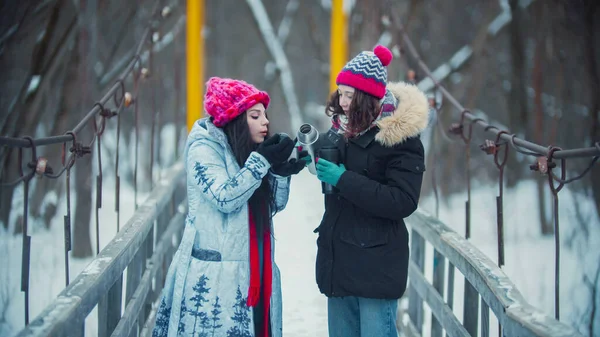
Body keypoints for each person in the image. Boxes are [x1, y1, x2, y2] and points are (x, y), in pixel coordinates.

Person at [152, 77, 309, 337]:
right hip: (217, 280)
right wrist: (262, 162)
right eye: (255, 116)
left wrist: (280, 173)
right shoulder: (203, 149)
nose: (265, 122)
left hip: (256, 269)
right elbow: (225, 198)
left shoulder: (246, 151)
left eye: (265, 116)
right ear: (234, 119)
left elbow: (273, 207)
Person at [313, 45, 429, 337]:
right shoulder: (341, 129)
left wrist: (343, 179)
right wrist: (309, 155)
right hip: (339, 261)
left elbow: (402, 201)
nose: (343, 102)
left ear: (368, 97)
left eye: (350, 95)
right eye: (341, 93)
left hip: (377, 267)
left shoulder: (401, 138)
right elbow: (329, 162)